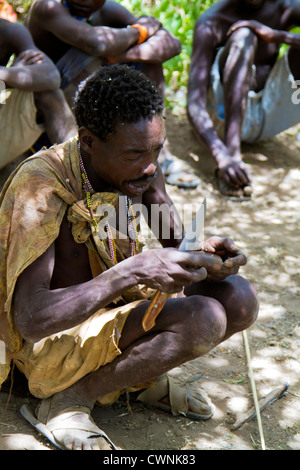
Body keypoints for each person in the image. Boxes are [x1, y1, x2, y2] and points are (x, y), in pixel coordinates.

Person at [0, 65, 258, 450]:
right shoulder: (41, 188)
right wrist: (131, 270)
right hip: (49, 345)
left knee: (237, 298)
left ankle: (131, 380)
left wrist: (207, 255)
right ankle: (67, 401)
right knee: (204, 318)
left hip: (112, 318)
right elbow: (31, 319)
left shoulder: (140, 169)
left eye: (157, 149)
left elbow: (177, 241)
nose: (151, 165)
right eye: (136, 153)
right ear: (88, 141)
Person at [25, 0, 200, 188]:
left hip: (93, 111)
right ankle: (84, 167)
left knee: (150, 61)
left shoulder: (107, 11)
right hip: (51, 118)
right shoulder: (47, 7)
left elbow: (171, 45)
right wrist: (139, 31)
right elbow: (96, 44)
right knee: (91, 58)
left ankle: (157, 150)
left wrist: (119, 56)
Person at [187, 0, 300, 199]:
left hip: (268, 114)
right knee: (244, 36)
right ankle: (233, 156)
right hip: (222, 119)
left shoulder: (285, 7)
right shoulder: (211, 21)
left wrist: (275, 35)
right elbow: (194, 105)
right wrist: (222, 156)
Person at [0, 18, 77, 170]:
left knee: (48, 94)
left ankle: (80, 172)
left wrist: (10, 74)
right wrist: (11, 74)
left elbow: (51, 77)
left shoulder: (8, 31)